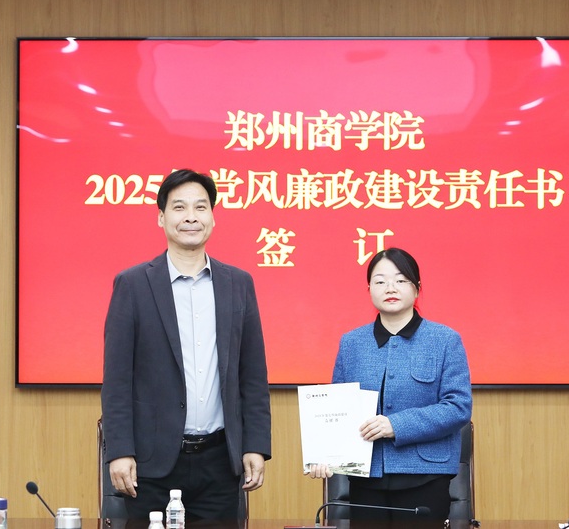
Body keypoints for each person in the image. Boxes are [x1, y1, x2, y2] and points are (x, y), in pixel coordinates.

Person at [101, 169, 272, 521]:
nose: (191, 217)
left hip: (219, 463)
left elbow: (253, 375)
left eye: (200, 207)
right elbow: (117, 380)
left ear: (213, 217)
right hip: (151, 464)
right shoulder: (133, 285)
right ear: (161, 217)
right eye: (179, 207)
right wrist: (119, 450)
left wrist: (255, 445)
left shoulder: (238, 284)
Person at [306, 247, 472, 521]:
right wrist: (325, 455)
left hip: (425, 478)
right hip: (366, 479)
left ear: (417, 288)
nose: (390, 288)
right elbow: (337, 409)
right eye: (380, 281)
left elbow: (458, 407)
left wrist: (396, 425)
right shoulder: (352, 343)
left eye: (400, 280)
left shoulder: (445, 340)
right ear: (369, 289)